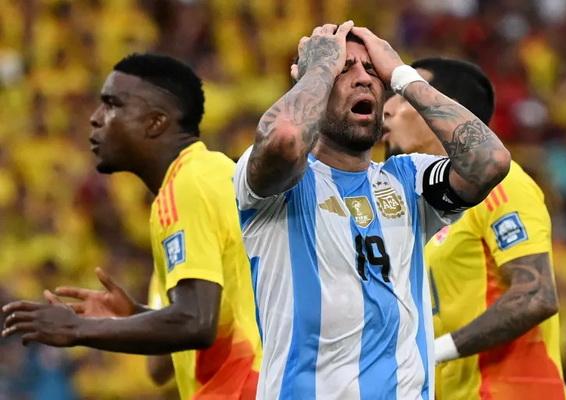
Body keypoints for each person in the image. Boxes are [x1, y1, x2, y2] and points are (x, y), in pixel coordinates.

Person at [234, 21, 511, 399]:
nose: (363, 79)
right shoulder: (279, 185)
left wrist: (401, 74)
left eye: (372, 70)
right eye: (343, 69)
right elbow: (285, 138)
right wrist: (317, 70)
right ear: (311, 83)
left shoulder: (408, 179)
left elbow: (490, 161)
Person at [2, 53, 261, 400]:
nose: (95, 119)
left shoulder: (185, 187)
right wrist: (132, 318)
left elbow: (196, 323)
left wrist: (77, 329)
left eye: (112, 105)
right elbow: (211, 318)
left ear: (155, 123)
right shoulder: (212, 173)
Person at [383, 57, 566, 399]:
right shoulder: (412, 205)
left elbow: (536, 295)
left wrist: (435, 351)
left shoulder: (502, 183)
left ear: (447, 111)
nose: (388, 110)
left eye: (404, 97)